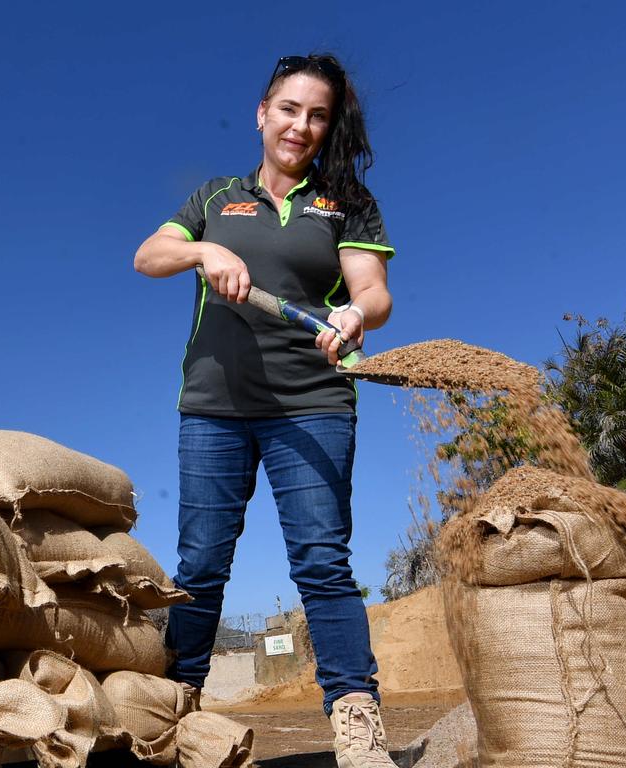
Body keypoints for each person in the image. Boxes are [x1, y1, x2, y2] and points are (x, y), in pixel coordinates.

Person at [134, 54, 398, 768]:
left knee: (321, 561)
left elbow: (373, 291)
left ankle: (355, 720)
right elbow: (149, 255)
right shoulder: (216, 196)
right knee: (201, 564)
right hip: (214, 407)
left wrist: (351, 313)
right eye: (289, 109)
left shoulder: (345, 202)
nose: (301, 126)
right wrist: (204, 251)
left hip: (312, 403)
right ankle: (174, 718)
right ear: (262, 112)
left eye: (317, 115)